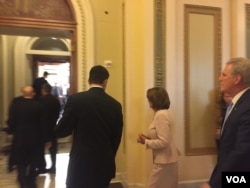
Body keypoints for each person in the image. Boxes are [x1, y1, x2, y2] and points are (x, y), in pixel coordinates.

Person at [56, 65, 123, 188]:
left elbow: (63, 130)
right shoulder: (115, 105)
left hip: (81, 162)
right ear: (105, 82)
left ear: (89, 81)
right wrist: (108, 155)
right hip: (104, 162)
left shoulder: (76, 100)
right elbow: (116, 137)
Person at [200, 57, 250, 188]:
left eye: (224, 75)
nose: (219, 79)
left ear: (236, 79)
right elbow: (227, 151)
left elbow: (242, 151)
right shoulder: (237, 103)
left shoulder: (247, 106)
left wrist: (215, 183)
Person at [7, 86, 51, 188]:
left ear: (23, 94)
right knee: (34, 160)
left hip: (20, 138)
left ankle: (22, 181)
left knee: (20, 161)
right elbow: (44, 124)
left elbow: (11, 122)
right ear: (33, 93)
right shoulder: (39, 106)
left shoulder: (16, 106)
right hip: (35, 139)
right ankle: (31, 180)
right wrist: (47, 139)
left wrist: (12, 131)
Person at [137, 87, 180, 188]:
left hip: (165, 161)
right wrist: (148, 138)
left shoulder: (161, 115)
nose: (149, 103)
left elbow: (164, 141)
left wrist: (146, 141)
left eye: (150, 100)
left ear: (155, 100)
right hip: (167, 159)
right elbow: (162, 136)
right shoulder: (164, 113)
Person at [39, 83, 61, 174]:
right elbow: (58, 112)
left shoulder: (40, 100)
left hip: (41, 128)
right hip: (53, 127)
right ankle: (53, 166)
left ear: (43, 90)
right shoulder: (55, 101)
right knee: (53, 149)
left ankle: (42, 166)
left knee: (40, 149)